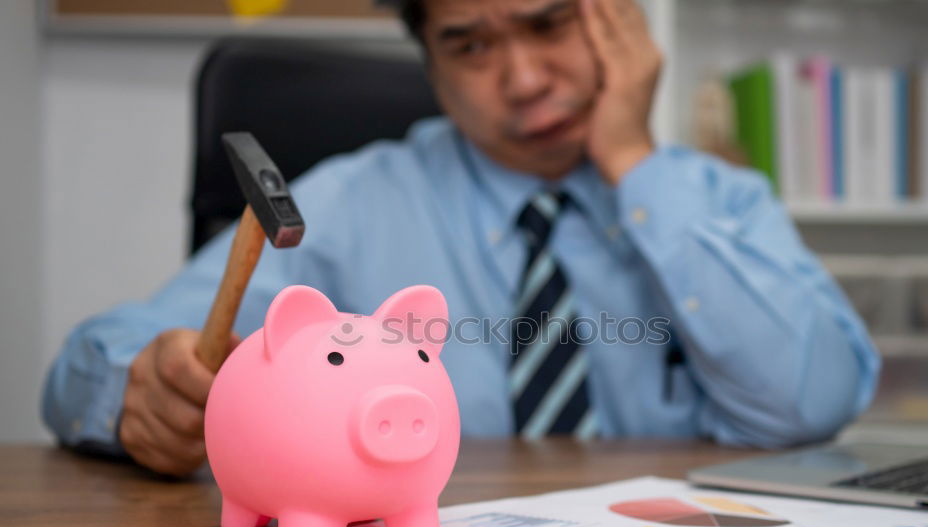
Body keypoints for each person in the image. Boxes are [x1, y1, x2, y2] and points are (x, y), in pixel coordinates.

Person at [41, 0, 880, 477]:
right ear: (431, 67)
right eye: (471, 45)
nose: (522, 79)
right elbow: (100, 355)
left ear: (619, 26)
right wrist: (138, 390)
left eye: (549, 23)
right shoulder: (354, 199)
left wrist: (631, 159)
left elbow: (808, 408)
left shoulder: (714, 201)